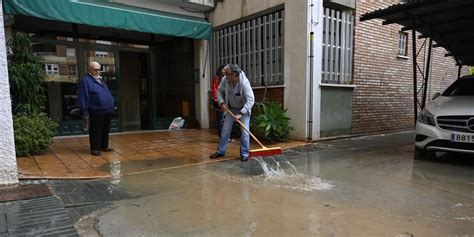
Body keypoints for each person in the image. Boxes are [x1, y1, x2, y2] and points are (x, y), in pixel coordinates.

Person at [210, 64, 255, 162]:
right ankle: (220, 151)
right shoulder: (225, 80)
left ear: (234, 75)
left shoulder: (244, 83)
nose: (226, 77)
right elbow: (219, 91)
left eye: (228, 75)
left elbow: (251, 100)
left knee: (245, 132)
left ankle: (244, 153)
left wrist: (241, 113)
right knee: (225, 131)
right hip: (231, 108)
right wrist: (222, 102)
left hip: (243, 109)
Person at [78, 61, 115, 156]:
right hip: (96, 110)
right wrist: (85, 112)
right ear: (89, 69)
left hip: (107, 110)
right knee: (96, 130)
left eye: (99, 69)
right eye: (95, 70)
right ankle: (95, 148)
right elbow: (83, 97)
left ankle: (104, 146)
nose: (98, 71)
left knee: (105, 129)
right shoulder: (85, 80)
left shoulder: (100, 80)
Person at [211, 65, 226, 139]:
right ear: (220, 70)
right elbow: (215, 89)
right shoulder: (216, 78)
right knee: (221, 120)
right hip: (218, 101)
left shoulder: (226, 78)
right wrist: (217, 99)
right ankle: (221, 137)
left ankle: (226, 137)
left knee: (226, 120)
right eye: (224, 69)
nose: (225, 70)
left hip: (226, 101)